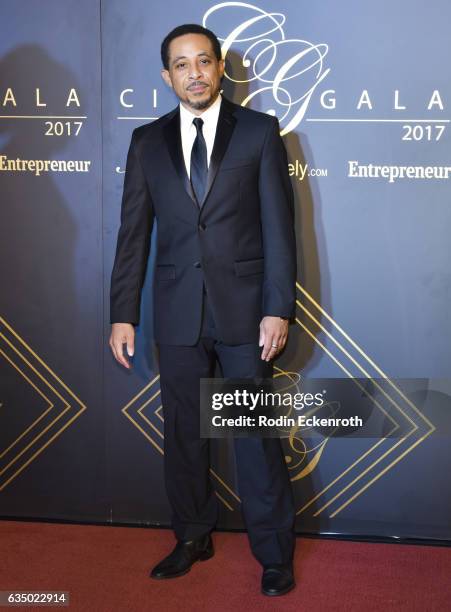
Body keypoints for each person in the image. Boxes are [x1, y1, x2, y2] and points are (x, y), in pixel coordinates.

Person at [109, 23, 298, 597]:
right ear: (168, 76)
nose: (195, 72)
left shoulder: (261, 133)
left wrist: (277, 307)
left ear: (220, 68)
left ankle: (274, 553)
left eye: (204, 61)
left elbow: (279, 229)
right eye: (181, 64)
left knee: (253, 437)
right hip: (177, 312)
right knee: (185, 434)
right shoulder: (146, 141)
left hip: (246, 314)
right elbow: (133, 236)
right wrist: (123, 313)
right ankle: (192, 535)